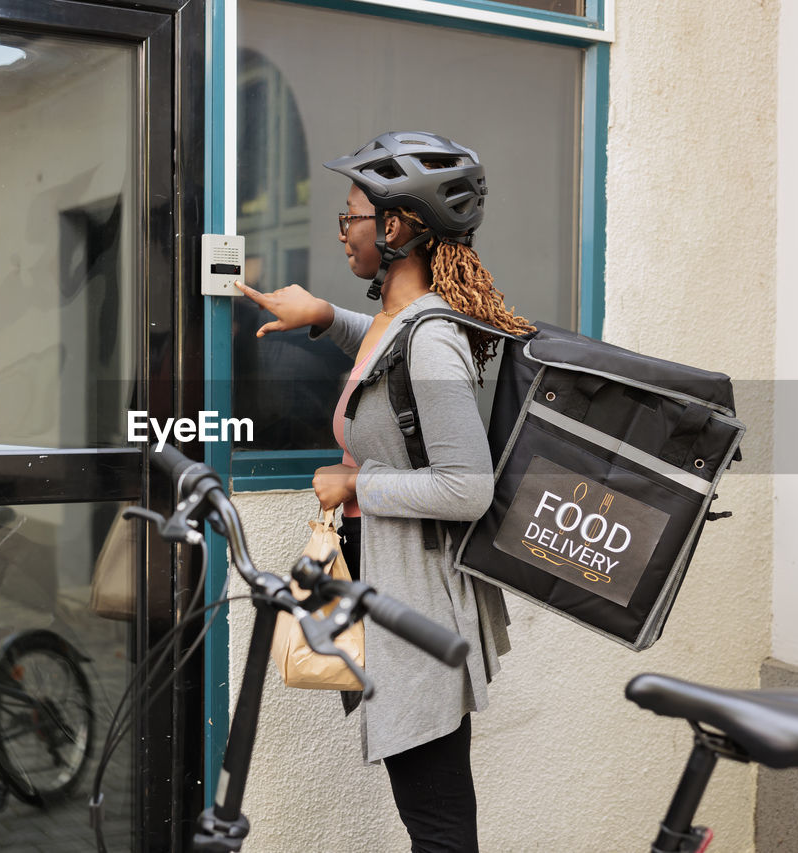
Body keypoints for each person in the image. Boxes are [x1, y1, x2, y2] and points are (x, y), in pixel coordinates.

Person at [235, 131, 534, 853]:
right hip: (397, 593)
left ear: (397, 228)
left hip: (420, 610)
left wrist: (356, 479)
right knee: (432, 816)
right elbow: (382, 358)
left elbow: (467, 487)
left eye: (351, 217)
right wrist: (322, 318)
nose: (343, 232)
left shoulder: (429, 338)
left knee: (436, 825)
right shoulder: (401, 324)